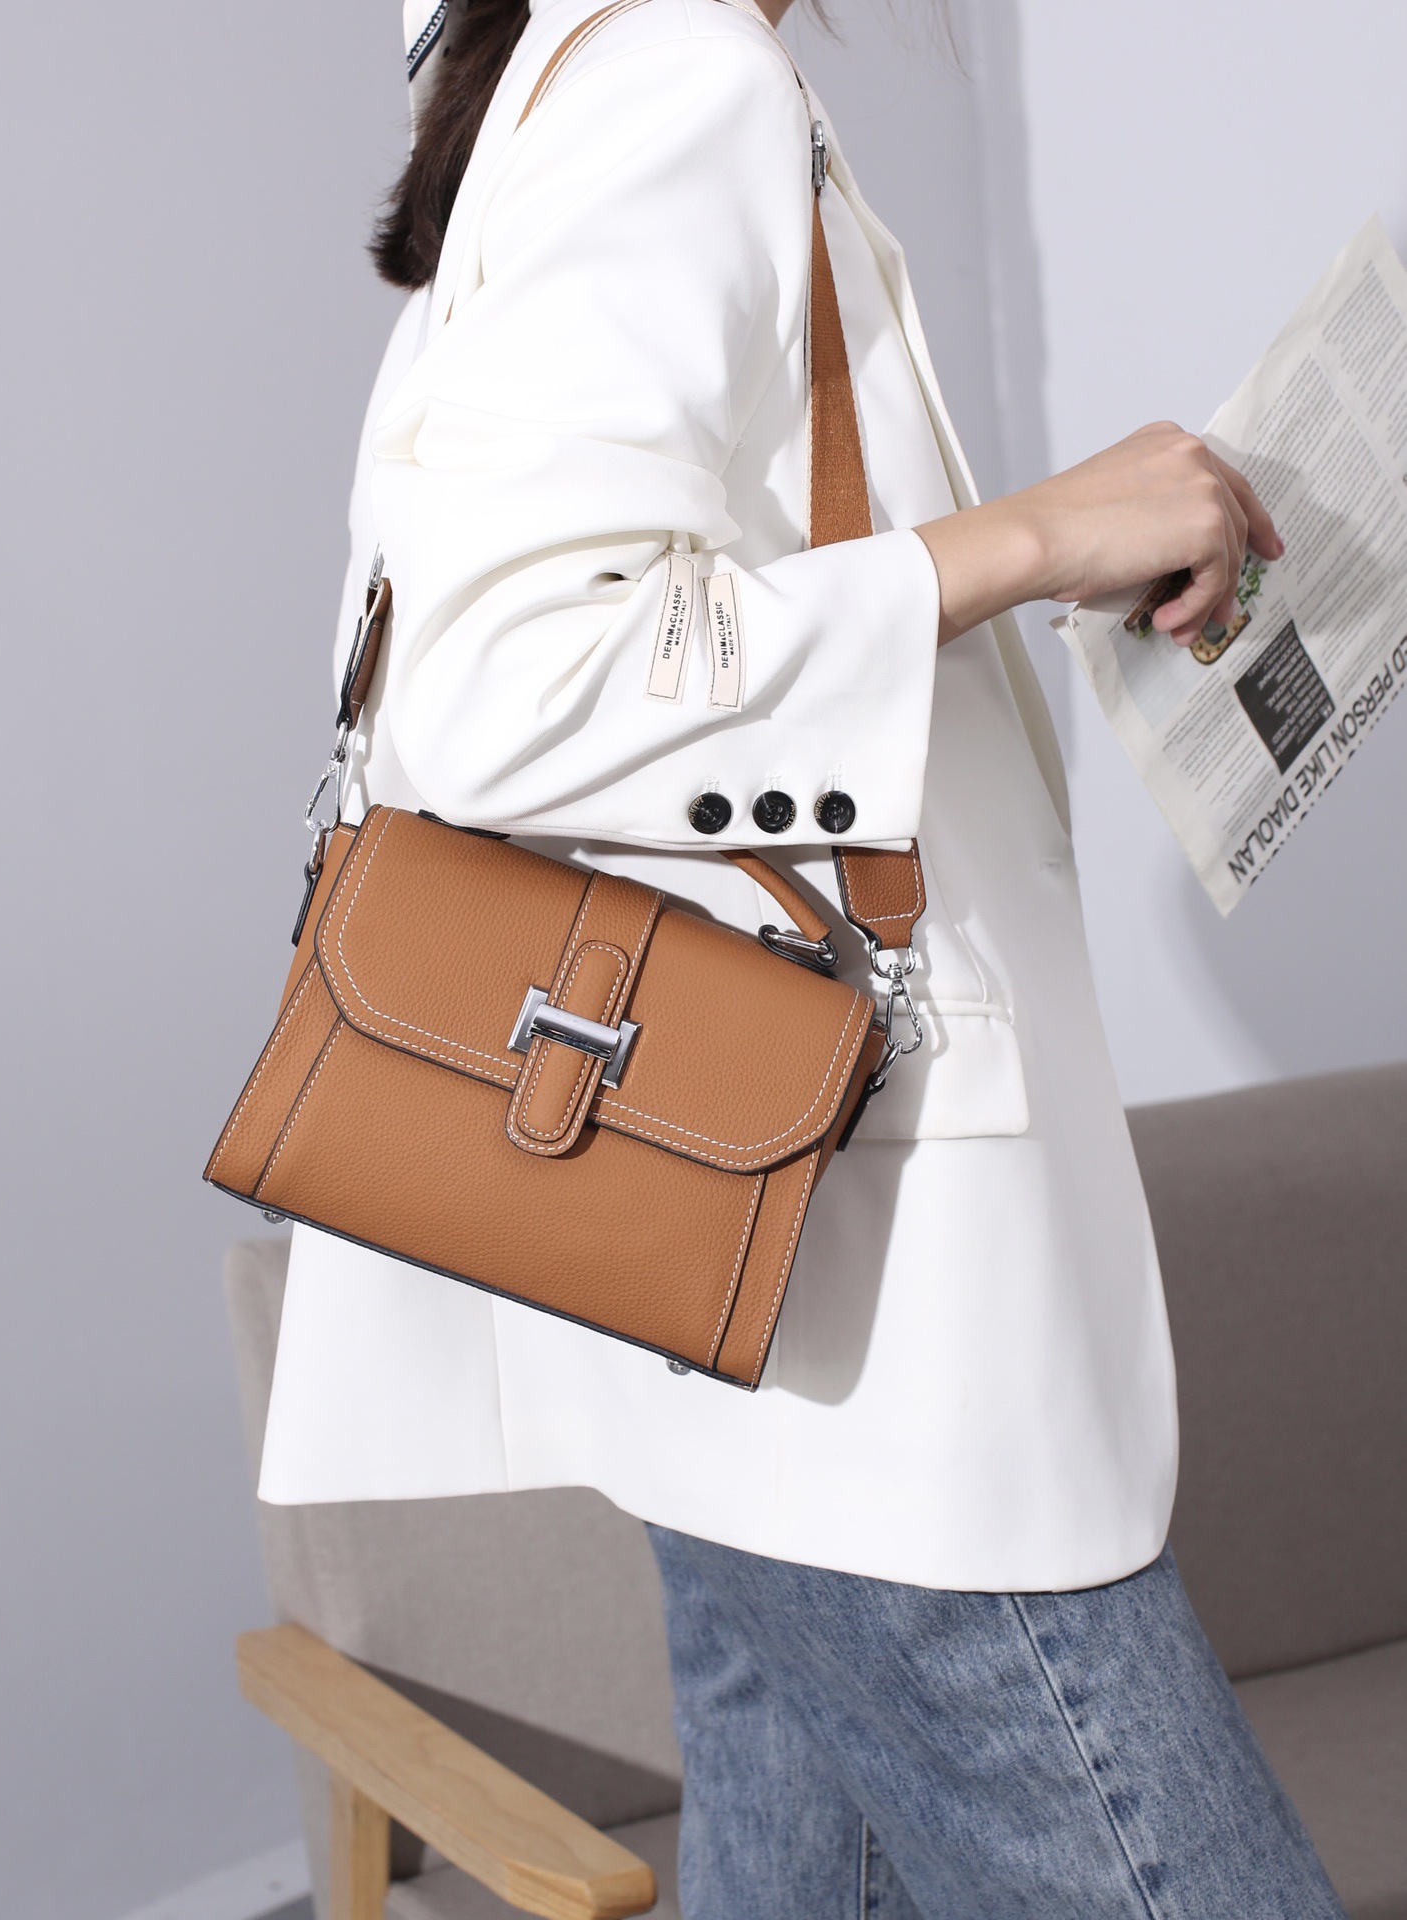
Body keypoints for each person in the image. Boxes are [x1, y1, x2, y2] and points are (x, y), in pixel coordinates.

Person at [257, 1, 1343, 1911]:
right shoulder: (678, 70)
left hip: (733, 1258)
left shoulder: (577, 67)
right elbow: (502, 680)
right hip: (850, 1289)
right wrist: (1028, 538)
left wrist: (1035, 542)